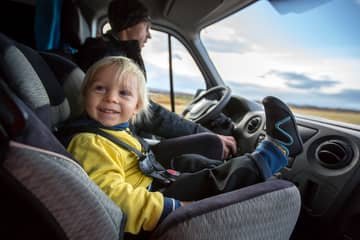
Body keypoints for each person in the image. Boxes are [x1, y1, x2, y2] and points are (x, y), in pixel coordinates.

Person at [64, 56, 303, 235]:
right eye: (100, 89)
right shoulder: (89, 142)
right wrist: (173, 207)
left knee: (194, 163)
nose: (111, 98)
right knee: (211, 180)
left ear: (137, 107)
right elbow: (111, 198)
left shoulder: (116, 131)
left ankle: (247, 176)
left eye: (124, 93)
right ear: (85, 95)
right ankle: (275, 152)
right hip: (147, 213)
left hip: (150, 186)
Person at [75, 0, 237, 160]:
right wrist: (206, 135)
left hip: (129, 138)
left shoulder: (113, 52)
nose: (149, 35)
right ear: (132, 23)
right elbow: (149, 113)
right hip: (118, 143)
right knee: (209, 146)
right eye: (147, 27)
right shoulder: (110, 60)